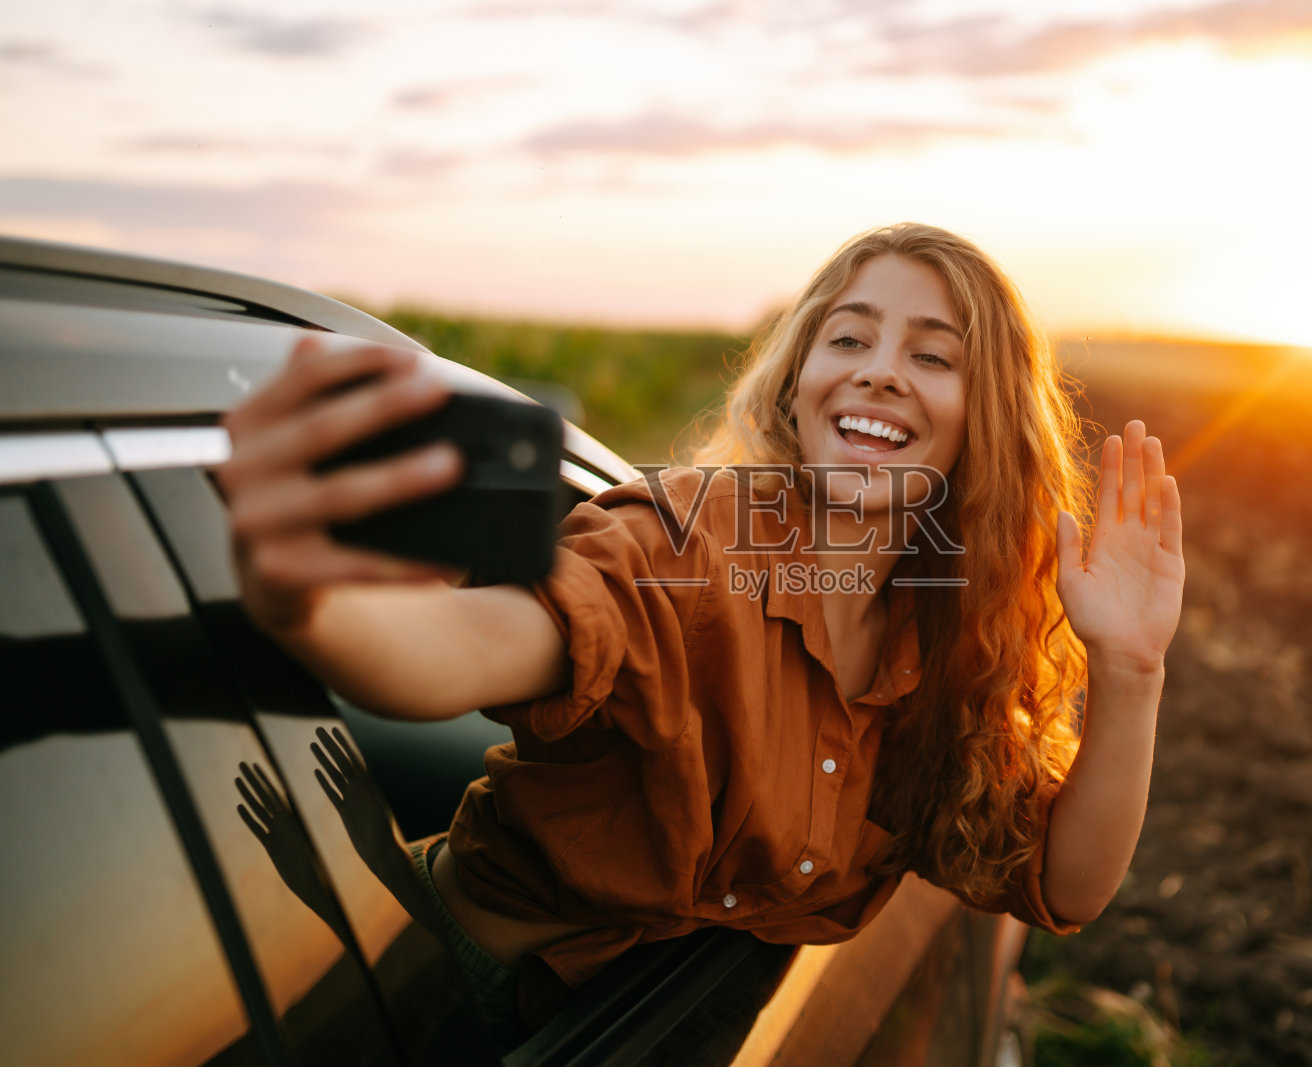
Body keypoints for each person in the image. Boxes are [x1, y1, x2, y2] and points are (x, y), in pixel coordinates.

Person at [216, 222, 1185, 1045]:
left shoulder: (944, 643)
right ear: (798, 379)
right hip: (441, 1007)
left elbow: (1064, 882)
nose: (881, 373)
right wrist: (312, 594)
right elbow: (464, 645)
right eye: (848, 338)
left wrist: (1131, 667)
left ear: (985, 421)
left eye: (933, 356)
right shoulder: (681, 543)